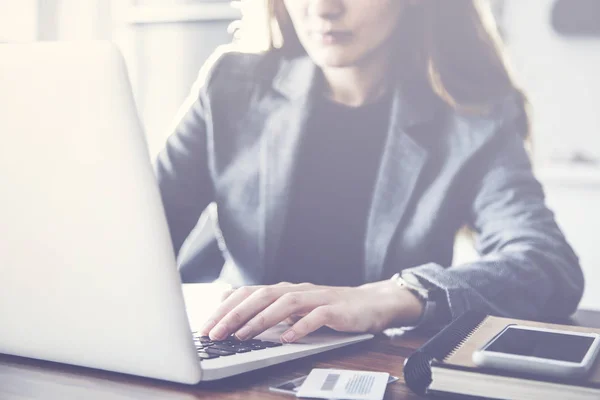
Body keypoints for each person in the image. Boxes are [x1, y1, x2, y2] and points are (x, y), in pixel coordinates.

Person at [155, 0, 584, 344]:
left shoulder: (473, 117)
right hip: (236, 351)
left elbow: (548, 264)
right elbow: (139, 233)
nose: (323, 8)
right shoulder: (230, 85)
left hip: (383, 368)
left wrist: (394, 296)